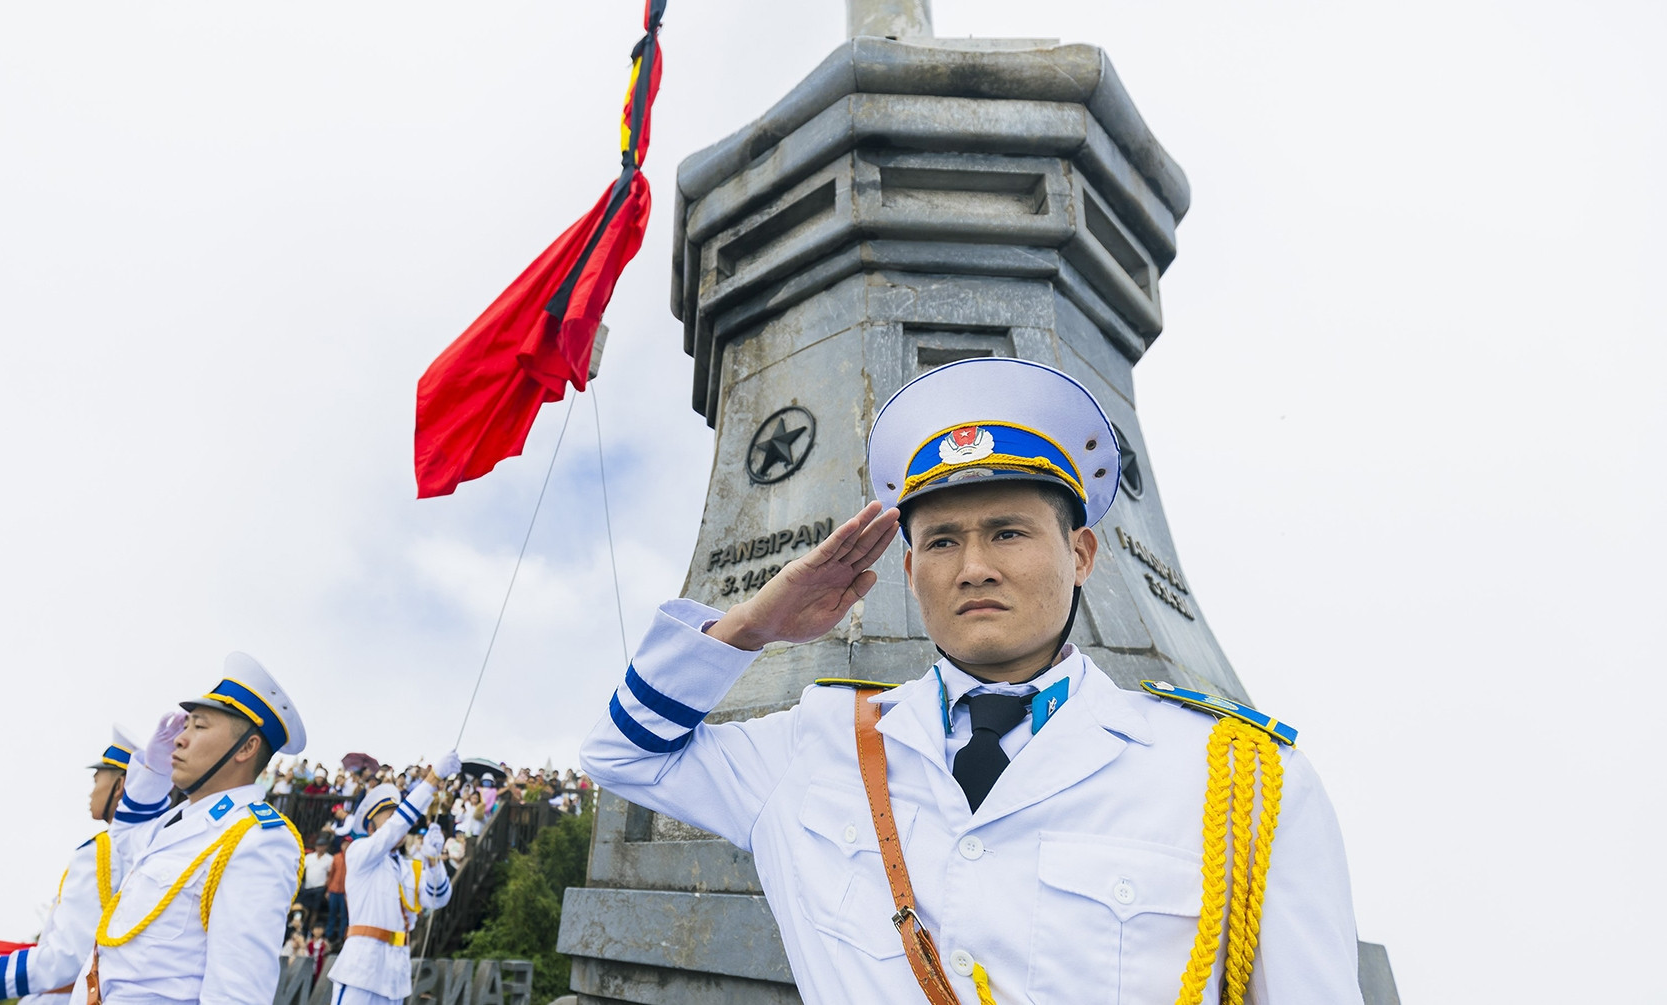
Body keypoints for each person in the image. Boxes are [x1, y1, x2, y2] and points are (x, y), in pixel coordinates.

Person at [579, 358, 1362, 1004]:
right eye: (943, 541)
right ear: (911, 570)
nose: (975, 567)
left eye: (1009, 532)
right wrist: (748, 627)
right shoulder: (816, 746)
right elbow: (624, 754)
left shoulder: (1241, 781)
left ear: (1081, 554)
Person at [74, 652, 309, 1005]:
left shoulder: (258, 838)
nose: (180, 739)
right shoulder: (179, 820)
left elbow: (235, 995)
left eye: (199, 727)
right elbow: (123, 840)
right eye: (185, 726)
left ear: (246, 748)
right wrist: (153, 772)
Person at [0, 727, 140, 1005]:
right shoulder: (151, 844)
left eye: (96, 781)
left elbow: (66, 959)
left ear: (121, 785)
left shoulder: (103, 852)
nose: (90, 793)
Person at [325, 752, 461, 1005]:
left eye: (396, 818)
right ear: (371, 829)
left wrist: (433, 862)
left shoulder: (408, 867)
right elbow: (394, 830)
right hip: (361, 972)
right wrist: (432, 779)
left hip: (394, 975)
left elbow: (438, 899)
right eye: (388, 820)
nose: (398, 826)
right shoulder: (359, 853)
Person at [301, 836, 334, 925]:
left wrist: (327, 888)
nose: (319, 848)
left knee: (315, 909)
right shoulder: (309, 857)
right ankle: (303, 928)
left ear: (326, 847)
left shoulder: (330, 859)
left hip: (320, 887)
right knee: (305, 908)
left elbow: (330, 874)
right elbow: (302, 870)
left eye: (322, 846)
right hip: (308, 886)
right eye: (318, 846)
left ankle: (311, 928)